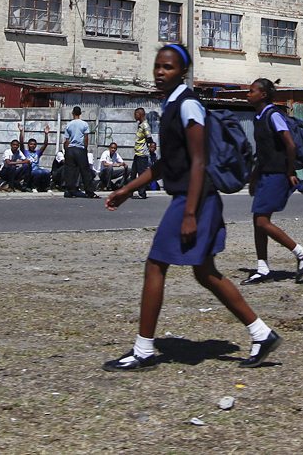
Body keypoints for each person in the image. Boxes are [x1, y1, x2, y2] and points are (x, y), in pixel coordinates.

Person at [103, 44, 282, 371]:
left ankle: (143, 351)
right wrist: (127, 189)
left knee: (156, 265)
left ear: (182, 72)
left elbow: (199, 160)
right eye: (157, 66)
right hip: (194, 199)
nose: (160, 72)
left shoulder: (188, 106)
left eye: (168, 67)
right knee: (205, 272)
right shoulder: (173, 105)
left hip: (195, 200)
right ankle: (261, 333)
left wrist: (189, 214)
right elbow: (167, 164)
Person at [242, 78, 303, 284]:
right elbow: (264, 152)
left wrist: (290, 171)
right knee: (258, 221)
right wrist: (255, 177)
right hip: (266, 174)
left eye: (251, 91)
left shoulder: (273, 115)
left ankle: (302, 253)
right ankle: (262, 268)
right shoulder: (259, 117)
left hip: (277, 174)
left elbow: (290, 144)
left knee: (262, 221)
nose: (248, 94)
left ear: (263, 94)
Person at [62, 106, 97, 199]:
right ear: (80, 113)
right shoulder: (84, 124)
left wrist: (66, 151)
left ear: (73, 113)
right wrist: (85, 149)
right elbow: (86, 138)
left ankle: (69, 190)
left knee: (70, 171)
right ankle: (89, 191)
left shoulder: (69, 124)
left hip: (70, 149)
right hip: (80, 148)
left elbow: (66, 140)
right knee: (85, 171)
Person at [130, 107, 154, 199]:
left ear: (140, 114)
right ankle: (130, 192)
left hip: (142, 154)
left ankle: (142, 193)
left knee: (141, 174)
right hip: (137, 153)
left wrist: (150, 150)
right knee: (133, 174)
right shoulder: (139, 125)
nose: (134, 116)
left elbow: (149, 138)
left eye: (136, 114)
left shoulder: (145, 125)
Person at [22, 125, 53, 191]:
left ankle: (47, 187)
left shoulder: (37, 152)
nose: (32, 146)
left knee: (47, 172)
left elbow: (45, 144)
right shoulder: (25, 152)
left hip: (37, 169)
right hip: (29, 170)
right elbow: (21, 143)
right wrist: (21, 131)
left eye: (34, 144)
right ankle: (34, 187)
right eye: (31, 144)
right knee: (38, 173)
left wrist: (46, 134)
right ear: (28, 145)